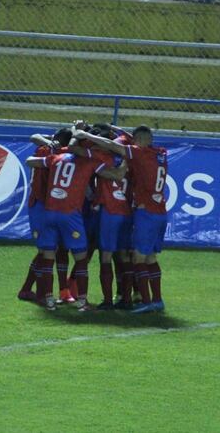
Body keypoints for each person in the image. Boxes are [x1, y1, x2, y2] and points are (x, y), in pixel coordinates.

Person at [24, 132, 127, 311]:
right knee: (80, 257)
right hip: (70, 215)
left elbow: (30, 161)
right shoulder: (89, 162)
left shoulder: (56, 158)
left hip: (49, 212)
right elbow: (116, 176)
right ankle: (82, 301)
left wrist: (51, 148)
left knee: (48, 256)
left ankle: (49, 300)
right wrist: (126, 161)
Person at [72, 125, 169, 314]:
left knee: (115, 256)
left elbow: (96, 147)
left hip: (122, 212)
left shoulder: (110, 155)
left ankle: (124, 301)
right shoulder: (160, 154)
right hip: (147, 212)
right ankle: (138, 298)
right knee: (139, 256)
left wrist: (82, 134)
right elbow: (133, 139)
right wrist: (115, 129)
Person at [17, 129, 76, 304]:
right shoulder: (56, 153)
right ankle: (41, 294)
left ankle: (27, 290)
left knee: (48, 249)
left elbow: (35, 136)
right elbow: (34, 138)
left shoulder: (48, 148)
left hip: (42, 204)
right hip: (42, 204)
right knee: (47, 250)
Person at [89, 126, 133, 310]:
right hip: (126, 211)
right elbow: (128, 136)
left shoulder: (99, 157)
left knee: (105, 256)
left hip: (109, 211)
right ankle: (126, 299)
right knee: (123, 255)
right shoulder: (129, 154)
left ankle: (108, 301)